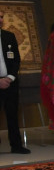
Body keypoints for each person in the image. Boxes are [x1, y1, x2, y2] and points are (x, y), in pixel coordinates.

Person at [0, 11, 30, 154]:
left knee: (12, 115)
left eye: (1, 17)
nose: (0, 19)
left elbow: (16, 59)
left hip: (10, 83)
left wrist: (10, 78)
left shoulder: (9, 36)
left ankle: (16, 145)